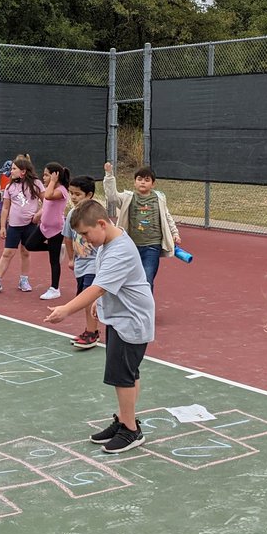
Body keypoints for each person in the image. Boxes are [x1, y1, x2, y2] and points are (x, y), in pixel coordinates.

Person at [44, 200, 154, 454]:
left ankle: (131, 431)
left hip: (131, 320)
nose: (84, 239)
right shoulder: (108, 242)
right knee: (128, 373)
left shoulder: (119, 250)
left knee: (123, 376)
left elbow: (98, 287)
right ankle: (124, 420)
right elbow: (109, 284)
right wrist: (99, 302)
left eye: (85, 233)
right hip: (121, 316)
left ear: (102, 224)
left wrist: (66, 309)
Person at [102, 161, 181, 293]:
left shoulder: (159, 198)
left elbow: (167, 217)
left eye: (147, 180)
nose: (143, 182)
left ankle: (146, 305)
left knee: (147, 279)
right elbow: (111, 197)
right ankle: (131, 302)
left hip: (152, 246)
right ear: (134, 182)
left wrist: (175, 233)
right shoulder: (128, 198)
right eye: (139, 179)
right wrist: (109, 175)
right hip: (131, 246)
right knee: (128, 279)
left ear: (153, 184)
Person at [0, 155, 44, 295]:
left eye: (14, 169)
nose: (11, 171)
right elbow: (5, 208)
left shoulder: (36, 183)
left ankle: (24, 280)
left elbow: (47, 202)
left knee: (25, 251)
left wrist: (38, 215)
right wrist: (3, 226)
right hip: (14, 226)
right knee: (7, 253)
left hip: (30, 225)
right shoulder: (10, 186)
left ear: (23, 171)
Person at [64, 174, 103, 350]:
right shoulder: (71, 214)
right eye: (71, 193)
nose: (73, 197)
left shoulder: (95, 214)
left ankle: (91, 332)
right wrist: (71, 258)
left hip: (94, 264)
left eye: (77, 194)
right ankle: (92, 329)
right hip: (80, 264)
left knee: (88, 299)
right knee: (85, 299)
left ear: (89, 195)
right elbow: (67, 238)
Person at [24, 162, 70, 301]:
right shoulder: (51, 188)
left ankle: (55, 289)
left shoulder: (61, 190)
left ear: (55, 176)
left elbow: (48, 196)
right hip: (44, 226)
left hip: (56, 229)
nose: (43, 177)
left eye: (46, 175)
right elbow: (46, 204)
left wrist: (53, 181)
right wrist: (39, 214)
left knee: (54, 261)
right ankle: (56, 248)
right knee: (29, 245)